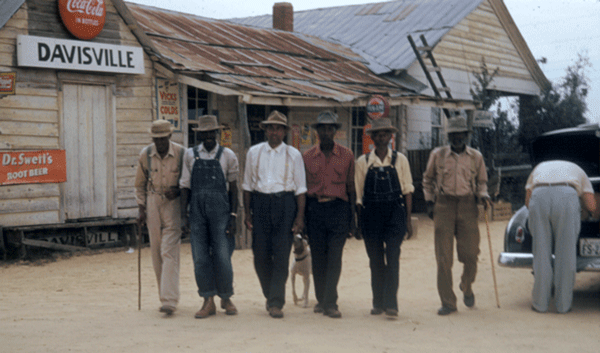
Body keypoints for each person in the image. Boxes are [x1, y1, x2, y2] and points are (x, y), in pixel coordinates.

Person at [422, 116, 491, 316]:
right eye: (454, 134)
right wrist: (429, 202)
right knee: (443, 258)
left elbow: (482, 182)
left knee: (471, 254)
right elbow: (427, 180)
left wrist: (483, 196)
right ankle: (448, 302)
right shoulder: (438, 155)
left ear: (467, 135)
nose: (457, 137)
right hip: (443, 205)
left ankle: (466, 285)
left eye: (461, 134)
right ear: (449, 136)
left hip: (468, 205)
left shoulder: (476, 157)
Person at [242, 110, 307, 319]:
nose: (274, 132)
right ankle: (270, 296)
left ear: (284, 132)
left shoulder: (294, 155)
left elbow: (300, 190)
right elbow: (247, 186)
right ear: (266, 130)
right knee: (260, 255)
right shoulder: (254, 152)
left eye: (278, 128)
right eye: (270, 128)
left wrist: (299, 218)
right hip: (260, 204)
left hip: (285, 204)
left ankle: (276, 302)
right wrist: (248, 213)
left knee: (281, 255)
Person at [180, 115, 240, 319]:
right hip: (197, 213)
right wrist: (183, 216)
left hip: (221, 213)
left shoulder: (228, 155)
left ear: (217, 133)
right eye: (204, 133)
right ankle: (208, 300)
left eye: (211, 132)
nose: (208, 136)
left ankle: (226, 297)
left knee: (223, 256)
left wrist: (233, 215)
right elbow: (185, 186)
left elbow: (233, 188)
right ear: (199, 134)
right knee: (200, 258)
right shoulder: (190, 155)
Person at [354, 117, 413, 319]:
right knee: (376, 260)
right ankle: (377, 302)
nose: (381, 137)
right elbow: (359, 195)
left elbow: (407, 191)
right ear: (372, 137)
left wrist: (408, 220)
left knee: (393, 257)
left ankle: (392, 304)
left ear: (390, 137)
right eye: (377, 134)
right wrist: (359, 223)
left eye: (385, 134)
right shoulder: (362, 162)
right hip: (371, 215)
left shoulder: (400, 160)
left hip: (395, 213)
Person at [525, 160, 598, 313]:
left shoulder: (539, 168)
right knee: (566, 255)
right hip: (566, 196)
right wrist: (584, 210)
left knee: (541, 254)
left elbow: (527, 201)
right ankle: (563, 306)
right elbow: (592, 206)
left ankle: (540, 304)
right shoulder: (580, 171)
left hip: (538, 196)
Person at [303, 110, 356, 319]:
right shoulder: (307, 157)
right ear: (317, 132)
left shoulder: (347, 155)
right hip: (315, 210)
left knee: (335, 257)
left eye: (330, 128)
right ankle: (321, 299)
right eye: (322, 128)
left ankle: (331, 302)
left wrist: (353, 218)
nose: (326, 132)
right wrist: (303, 219)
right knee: (318, 258)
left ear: (335, 131)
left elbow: (351, 187)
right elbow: (303, 189)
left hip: (338, 209)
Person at [134, 119, 185, 316]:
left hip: (173, 204)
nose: (160, 143)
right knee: (156, 250)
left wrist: (179, 191)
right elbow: (139, 184)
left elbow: (188, 182)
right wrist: (141, 208)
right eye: (156, 139)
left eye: (163, 139)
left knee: (168, 250)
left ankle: (169, 301)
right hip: (153, 201)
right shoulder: (145, 155)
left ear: (170, 136)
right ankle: (163, 295)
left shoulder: (182, 153)